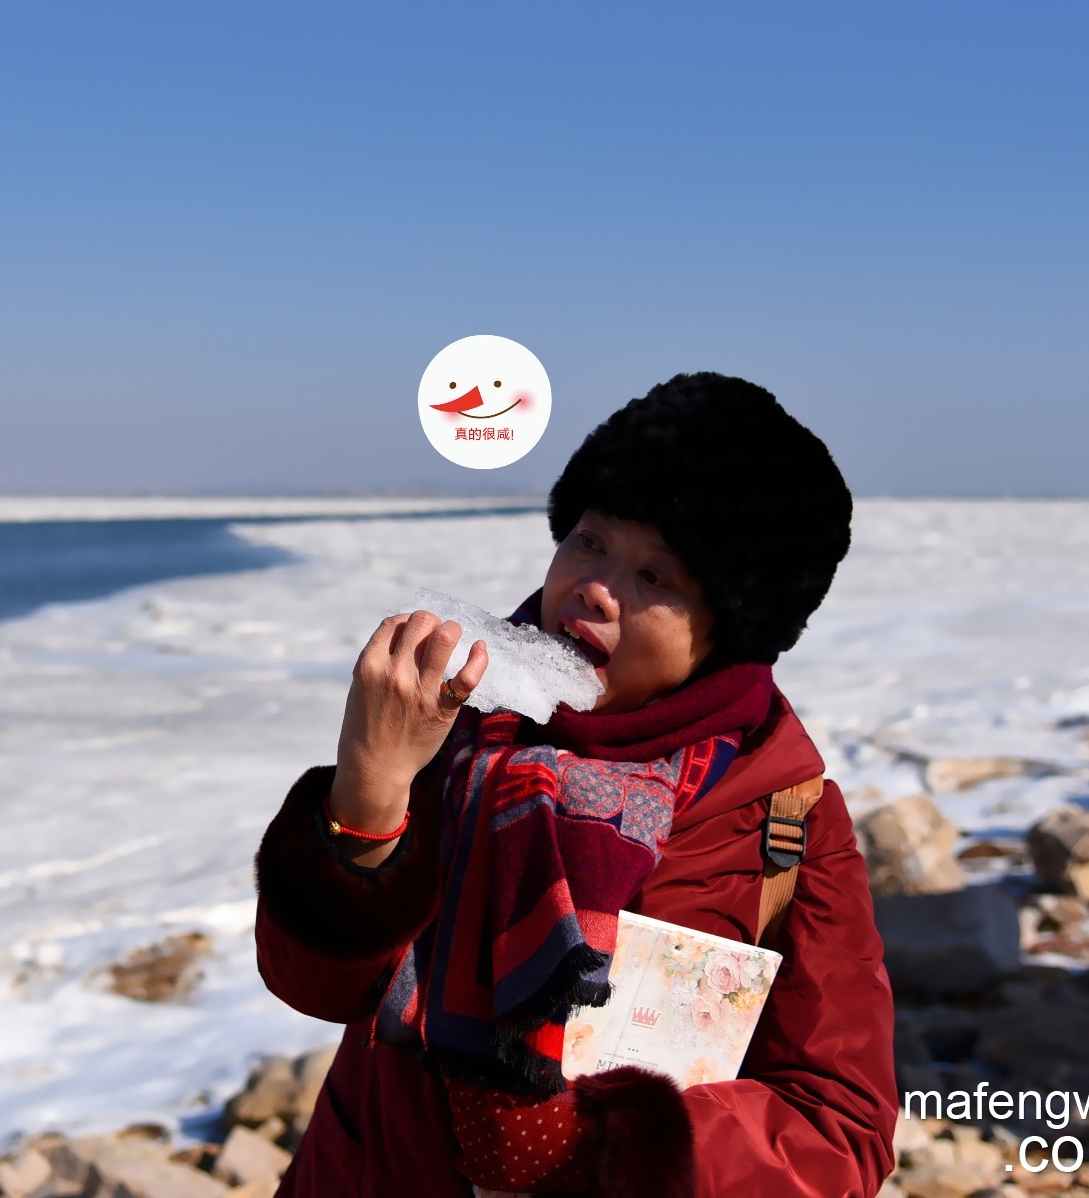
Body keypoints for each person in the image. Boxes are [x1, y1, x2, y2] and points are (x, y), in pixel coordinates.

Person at [254, 372, 899, 1197]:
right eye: (590, 540)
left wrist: (599, 1151)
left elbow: (839, 1127)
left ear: (729, 631)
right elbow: (315, 984)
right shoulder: (456, 724)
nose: (596, 586)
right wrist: (368, 787)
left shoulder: (782, 818)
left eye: (656, 577)